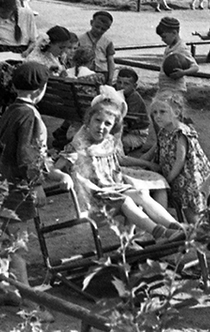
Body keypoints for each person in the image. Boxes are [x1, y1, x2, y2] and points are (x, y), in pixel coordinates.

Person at [0, 61, 72, 317]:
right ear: (41, 89)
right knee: (17, 244)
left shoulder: (12, 110)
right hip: (17, 187)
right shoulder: (29, 115)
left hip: (3, 181)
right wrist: (37, 185)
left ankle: (7, 288)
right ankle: (28, 300)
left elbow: (30, 153)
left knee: (6, 240)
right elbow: (27, 156)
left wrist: (54, 171)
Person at [53, 90, 184, 241]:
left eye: (107, 123)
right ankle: (161, 233)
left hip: (114, 189)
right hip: (94, 197)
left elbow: (120, 160)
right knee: (126, 200)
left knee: (141, 193)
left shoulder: (108, 141)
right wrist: (62, 175)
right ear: (88, 120)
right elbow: (54, 169)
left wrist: (145, 163)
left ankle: (176, 227)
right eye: (97, 120)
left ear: (114, 127)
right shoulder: (79, 145)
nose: (101, 126)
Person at [142, 94, 210, 225]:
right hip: (178, 181)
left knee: (194, 216)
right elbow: (153, 151)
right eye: (155, 112)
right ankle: (188, 237)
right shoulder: (163, 132)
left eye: (162, 112)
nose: (157, 116)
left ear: (176, 112)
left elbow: (180, 159)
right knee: (181, 208)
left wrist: (168, 179)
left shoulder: (181, 132)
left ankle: (203, 239)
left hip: (189, 180)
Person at [155, 16, 199, 100]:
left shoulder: (181, 48)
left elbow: (195, 67)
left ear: (174, 33)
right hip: (164, 87)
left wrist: (182, 72)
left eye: (164, 37)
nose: (162, 40)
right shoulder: (169, 47)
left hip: (174, 90)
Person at [114, 68, 153, 155]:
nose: (121, 86)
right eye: (119, 82)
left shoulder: (134, 98)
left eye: (126, 84)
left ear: (134, 86)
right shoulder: (115, 92)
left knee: (119, 143)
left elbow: (128, 120)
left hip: (137, 133)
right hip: (123, 128)